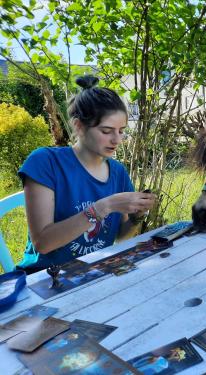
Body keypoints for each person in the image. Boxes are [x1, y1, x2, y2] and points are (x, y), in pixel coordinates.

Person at [17, 75, 155, 273]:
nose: (117, 140)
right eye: (107, 131)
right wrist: (103, 207)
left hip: (93, 273)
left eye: (121, 131)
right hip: (44, 278)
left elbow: (120, 236)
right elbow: (43, 243)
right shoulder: (46, 163)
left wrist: (137, 217)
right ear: (79, 126)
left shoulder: (117, 172)